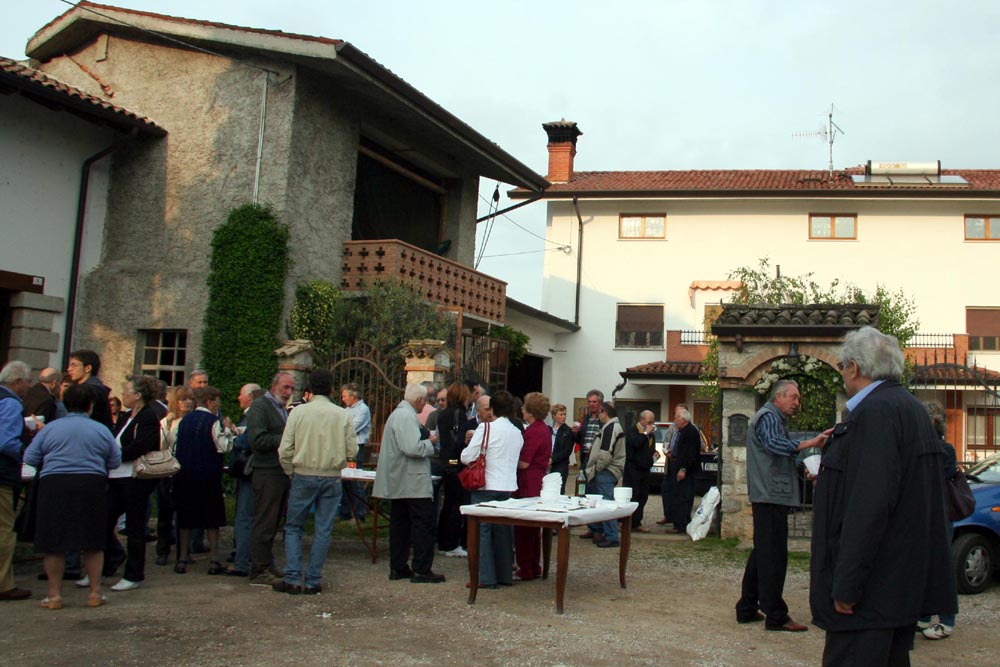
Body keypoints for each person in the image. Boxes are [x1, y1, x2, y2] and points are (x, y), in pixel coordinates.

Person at [811, 328, 956, 665]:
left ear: (854, 368)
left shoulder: (874, 414)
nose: (843, 373)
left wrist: (847, 585)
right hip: (896, 586)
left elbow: (870, 506)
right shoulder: (910, 408)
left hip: (870, 595)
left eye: (843, 366)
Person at [735, 381, 829, 630]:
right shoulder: (768, 417)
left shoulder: (772, 417)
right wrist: (810, 443)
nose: (797, 403)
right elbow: (774, 444)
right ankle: (776, 615)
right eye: (793, 397)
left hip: (769, 494)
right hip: (770, 495)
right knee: (774, 556)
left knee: (763, 552)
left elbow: (776, 451)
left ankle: (746, 607)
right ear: (778, 397)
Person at [23, 383, 121, 608]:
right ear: (91, 405)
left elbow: (30, 457)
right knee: (93, 541)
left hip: (55, 483)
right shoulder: (100, 430)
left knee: (54, 542)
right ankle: (95, 592)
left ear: (65, 404)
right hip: (91, 482)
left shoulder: (50, 428)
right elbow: (115, 460)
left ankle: (54, 595)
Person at [274, 370, 357, 594]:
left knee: (294, 527)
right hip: (331, 476)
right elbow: (352, 451)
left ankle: (292, 577)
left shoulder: (298, 413)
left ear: (309, 389)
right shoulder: (342, 415)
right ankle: (312, 580)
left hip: (303, 473)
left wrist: (291, 471)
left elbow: (285, 449)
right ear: (331, 390)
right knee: (323, 529)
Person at [373, 383, 444, 583]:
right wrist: (430, 443)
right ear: (419, 400)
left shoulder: (399, 415)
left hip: (402, 479)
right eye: (425, 401)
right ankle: (421, 568)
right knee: (423, 524)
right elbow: (412, 448)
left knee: (401, 524)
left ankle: (398, 566)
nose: (425, 404)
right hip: (412, 480)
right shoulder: (406, 416)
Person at [98, 375, 162, 592]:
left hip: (134, 478)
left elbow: (142, 445)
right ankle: (109, 560)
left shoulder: (148, 417)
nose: (123, 394)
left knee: (135, 528)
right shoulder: (126, 416)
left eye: (127, 391)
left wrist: (116, 455)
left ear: (138, 395)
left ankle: (133, 574)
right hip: (117, 477)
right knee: (103, 521)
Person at [461, 390, 522, 588]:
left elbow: (467, 457)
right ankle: (504, 574)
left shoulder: (485, 428)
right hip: (507, 485)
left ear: (493, 408)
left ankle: (485, 577)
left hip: (486, 484)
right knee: (503, 531)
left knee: (482, 530)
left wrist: (468, 446)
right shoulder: (516, 432)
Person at [171, 386, 234, 575]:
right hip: (208, 474)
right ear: (209, 401)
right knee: (211, 518)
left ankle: (182, 557)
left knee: (186, 517)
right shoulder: (213, 421)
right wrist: (228, 430)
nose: (218, 404)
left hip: (185, 474)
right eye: (217, 401)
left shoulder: (185, 421)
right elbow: (223, 447)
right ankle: (214, 559)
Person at [916, 400, 960, 641]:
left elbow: (937, 478)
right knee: (923, 564)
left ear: (932, 421)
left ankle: (946, 620)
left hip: (940, 515)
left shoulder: (944, 449)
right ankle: (923, 615)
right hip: (924, 513)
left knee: (941, 565)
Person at [247, 372, 295, 586]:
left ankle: (266, 563)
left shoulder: (281, 408)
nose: (288, 392)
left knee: (273, 521)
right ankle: (258, 569)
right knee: (264, 521)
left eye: (291, 388)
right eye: (285, 387)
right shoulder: (260, 407)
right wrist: (287, 439)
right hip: (267, 471)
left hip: (280, 471)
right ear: (274, 386)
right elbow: (257, 439)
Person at [0, 360, 33, 601]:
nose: (29, 387)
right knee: (3, 529)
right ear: (18, 381)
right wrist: (27, 453)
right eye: (28, 382)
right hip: (2, 474)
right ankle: (3, 584)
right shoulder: (11, 402)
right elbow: (6, 442)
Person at [513, 392, 552, 581]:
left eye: (524, 407)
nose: (522, 410)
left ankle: (525, 568)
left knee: (524, 528)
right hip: (537, 480)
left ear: (530, 411)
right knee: (533, 529)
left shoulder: (534, 432)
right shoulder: (543, 429)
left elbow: (524, 463)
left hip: (529, 481)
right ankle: (534, 566)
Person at [227, 383, 262, 577]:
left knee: (245, 516)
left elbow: (247, 441)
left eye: (241, 395)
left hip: (249, 470)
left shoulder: (254, 416)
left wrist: (234, 437)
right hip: (257, 471)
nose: (238, 398)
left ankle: (242, 560)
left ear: (250, 396)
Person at [582, 402, 626, 548]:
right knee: (602, 502)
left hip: (607, 471)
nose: (598, 415)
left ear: (605, 413)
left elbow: (605, 452)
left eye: (600, 412)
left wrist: (597, 468)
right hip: (608, 470)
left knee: (607, 504)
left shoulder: (610, 428)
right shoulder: (612, 427)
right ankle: (602, 532)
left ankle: (612, 536)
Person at [435, 382, 470, 558]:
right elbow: (458, 441)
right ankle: (451, 543)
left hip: (446, 461)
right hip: (455, 462)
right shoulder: (459, 414)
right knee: (456, 503)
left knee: (448, 503)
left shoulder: (443, 414)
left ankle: (443, 541)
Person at [338, 383, 370, 523]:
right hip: (344, 447)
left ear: (353, 396)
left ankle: (359, 514)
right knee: (344, 480)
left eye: (345, 396)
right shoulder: (346, 410)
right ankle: (344, 513)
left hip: (357, 448)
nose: (343, 399)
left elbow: (351, 428)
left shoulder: (363, 410)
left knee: (356, 481)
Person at [668, 408, 702, 534]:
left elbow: (690, 454)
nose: (675, 420)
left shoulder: (690, 432)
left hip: (687, 471)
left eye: (677, 418)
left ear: (683, 419)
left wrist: (683, 469)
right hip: (682, 467)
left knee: (683, 497)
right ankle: (680, 523)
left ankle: (682, 525)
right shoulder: (684, 431)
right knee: (679, 496)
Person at [624, 410, 656, 532]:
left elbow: (650, 448)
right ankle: (627, 522)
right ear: (641, 420)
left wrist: (652, 458)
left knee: (643, 496)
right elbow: (635, 444)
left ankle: (637, 522)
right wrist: (645, 433)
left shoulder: (650, 434)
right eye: (649, 422)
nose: (651, 425)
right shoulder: (632, 431)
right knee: (633, 496)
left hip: (645, 469)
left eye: (652, 422)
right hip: (633, 469)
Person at [67, 350, 113, 432]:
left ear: (88, 368)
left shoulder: (92, 391)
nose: (69, 369)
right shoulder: (94, 388)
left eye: (74, 365)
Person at [574, 389, 603, 472]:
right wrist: (575, 432)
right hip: (585, 458)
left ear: (600, 403)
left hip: (599, 459)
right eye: (589, 402)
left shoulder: (603, 419)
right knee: (583, 479)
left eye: (594, 402)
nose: (591, 404)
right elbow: (579, 439)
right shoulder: (585, 419)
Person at [549, 403, 575, 495]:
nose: (563, 417)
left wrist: (553, 459)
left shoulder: (567, 431)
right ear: (554, 415)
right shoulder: (548, 429)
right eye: (561, 414)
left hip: (560, 464)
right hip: (546, 462)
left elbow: (567, 450)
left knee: (558, 489)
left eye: (564, 414)